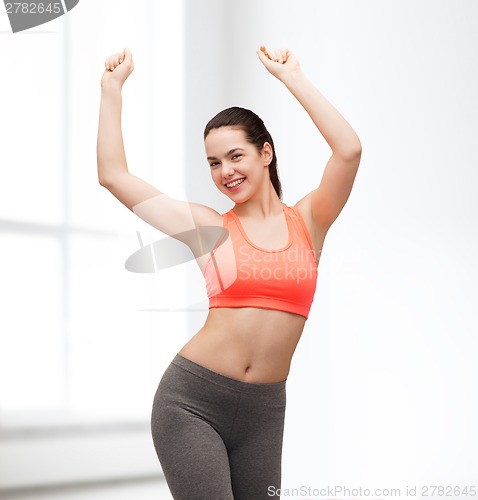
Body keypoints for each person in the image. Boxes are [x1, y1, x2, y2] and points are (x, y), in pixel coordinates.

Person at [97, 45, 361, 500]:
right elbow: (114, 176)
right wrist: (111, 90)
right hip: (191, 402)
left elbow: (349, 150)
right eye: (214, 163)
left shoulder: (310, 221)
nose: (224, 172)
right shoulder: (209, 228)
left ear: (266, 153)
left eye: (235, 156)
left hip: (264, 411)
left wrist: (293, 78)